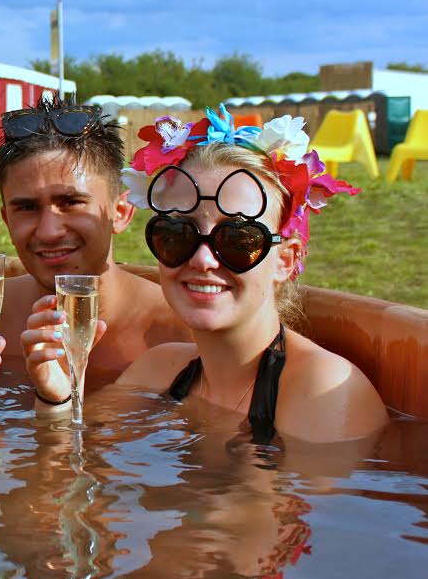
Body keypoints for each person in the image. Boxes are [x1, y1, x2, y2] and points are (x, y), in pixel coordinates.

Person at [115, 106, 387, 444]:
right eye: (176, 234)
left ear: (285, 261)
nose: (202, 259)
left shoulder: (323, 393)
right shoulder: (155, 372)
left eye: (238, 239)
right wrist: (58, 397)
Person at [0, 92, 187, 399]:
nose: (49, 232)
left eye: (71, 202)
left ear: (120, 213)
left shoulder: (178, 326)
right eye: (27, 208)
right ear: (7, 220)